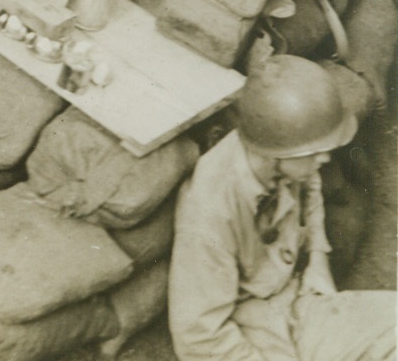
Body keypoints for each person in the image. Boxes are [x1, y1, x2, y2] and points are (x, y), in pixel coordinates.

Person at [169, 54, 395, 361]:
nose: (325, 160)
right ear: (276, 153)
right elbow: (199, 337)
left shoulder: (285, 154)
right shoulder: (210, 212)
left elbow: (310, 186)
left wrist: (317, 256)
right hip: (248, 325)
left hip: (295, 300)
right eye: (316, 153)